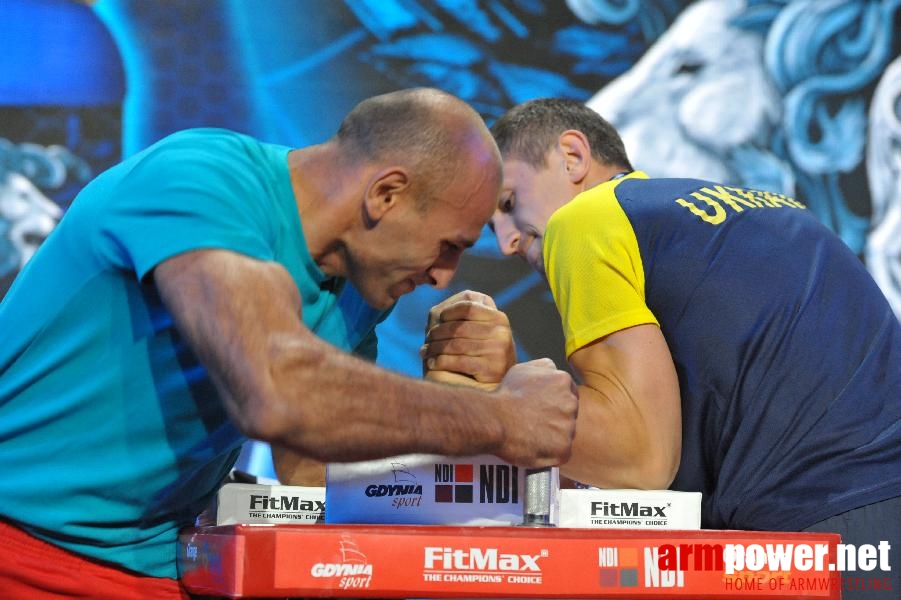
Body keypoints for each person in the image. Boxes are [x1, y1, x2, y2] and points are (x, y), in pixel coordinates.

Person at [0, 88, 579, 598]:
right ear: (386, 195)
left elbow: (313, 470)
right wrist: (500, 418)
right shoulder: (199, 178)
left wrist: (460, 387)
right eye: (448, 246)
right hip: (19, 546)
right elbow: (278, 391)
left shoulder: (360, 286)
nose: (444, 277)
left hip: (162, 567)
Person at [423, 98, 900, 596]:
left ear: (572, 156)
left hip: (815, 535)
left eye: (507, 203)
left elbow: (642, 462)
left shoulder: (583, 221)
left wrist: (495, 399)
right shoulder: (769, 212)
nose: (505, 242)